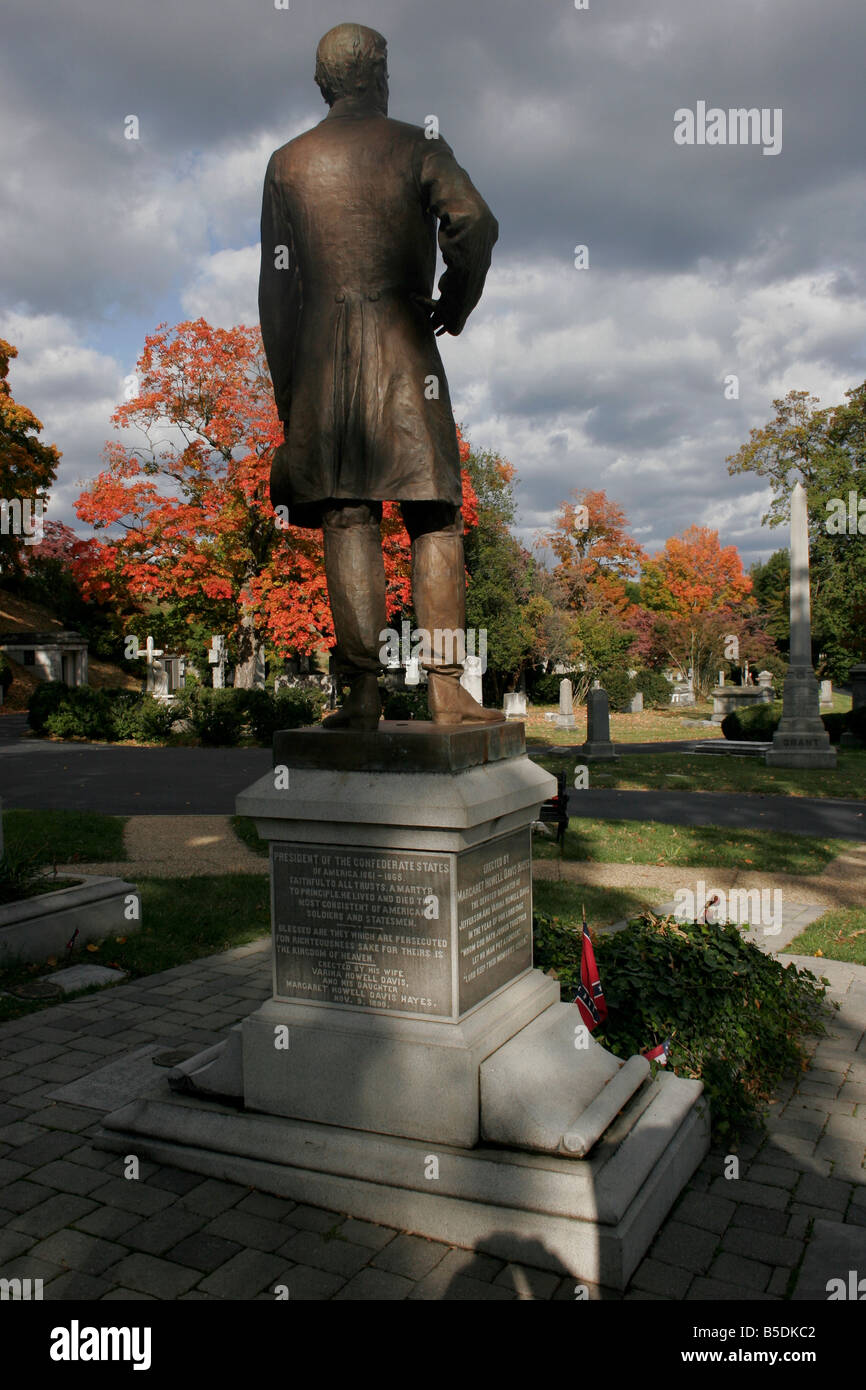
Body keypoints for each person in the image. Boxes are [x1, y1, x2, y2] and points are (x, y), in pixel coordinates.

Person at [259, 22, 503, 730]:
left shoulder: (287, 163)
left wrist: (289, 394)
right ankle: (448, 691)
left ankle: (361, 697)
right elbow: (475, 224)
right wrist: (452, 308)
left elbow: (277, 291)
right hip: (406, 353)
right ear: (381, 73)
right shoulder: (418, 146)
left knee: (348, 515)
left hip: (323, 370)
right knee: (434, 514)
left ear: (321, 83)